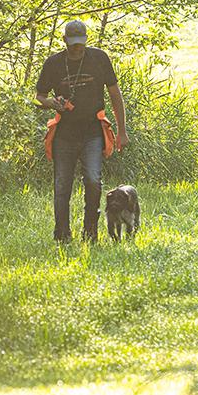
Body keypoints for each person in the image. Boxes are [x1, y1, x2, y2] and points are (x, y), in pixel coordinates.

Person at [34, 20, 129, 243]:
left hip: (93, 132)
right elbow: (38, 96)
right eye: (72, 44)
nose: (77, 48)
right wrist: (51, 102)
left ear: (86, 40)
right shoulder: (53, 63)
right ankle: (62, 236)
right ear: (64, 41)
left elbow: (115, 95)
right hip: (64, 135)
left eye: (80, 43)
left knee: (93, 181)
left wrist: (122, 131)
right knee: (62, 186)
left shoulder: (99, 58)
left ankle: (90, 233)